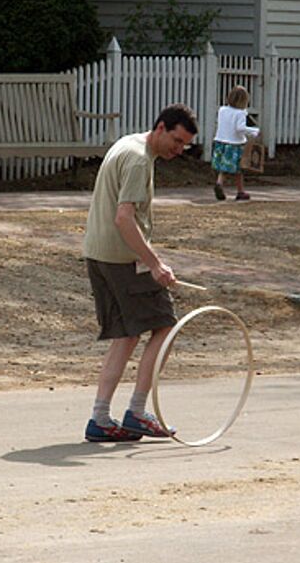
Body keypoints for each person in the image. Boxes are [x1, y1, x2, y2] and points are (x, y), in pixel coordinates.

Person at [82, 103, 198, 442]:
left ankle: (100, 418)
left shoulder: (130, 143)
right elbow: (124, 218)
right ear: (161, 128)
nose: (179, 150)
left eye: (184, 145)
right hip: (122, 259)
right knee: (166, 326)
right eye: (176, 141)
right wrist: (154, 263)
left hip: (99, 254)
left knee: (127, 334)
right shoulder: (138, 159)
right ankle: (136, 412)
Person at [211, 85, 260, 201]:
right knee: (238, 169)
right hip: (235, 144)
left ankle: (224, 185)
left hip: (220, 141)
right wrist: (254, 131)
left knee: (224, 167)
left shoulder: (222, 110)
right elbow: (240, 128)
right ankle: (237, 189)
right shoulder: (241, 113)